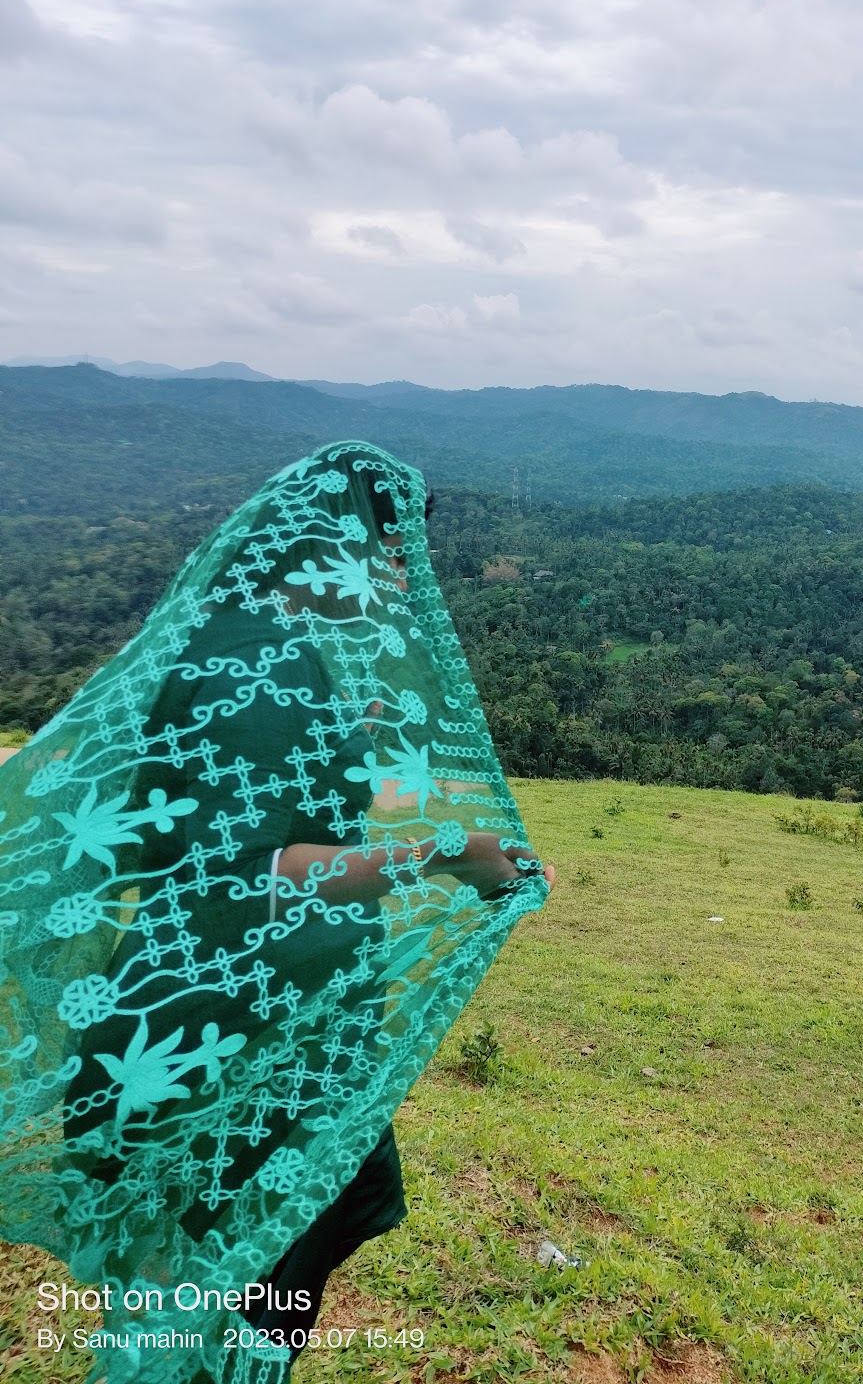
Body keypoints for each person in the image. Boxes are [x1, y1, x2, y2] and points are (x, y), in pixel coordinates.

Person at [0, 441, 552, 1384]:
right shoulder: (271, 665)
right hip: (238, 1026)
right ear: (329, 544)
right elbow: (245, 872)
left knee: (238, 1262)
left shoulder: (234, 639)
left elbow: (206, 812)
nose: (394, 580)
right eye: (388, 554)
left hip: (223, 1006)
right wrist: (454, 853)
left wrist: (345, 740)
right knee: (262, 1264)